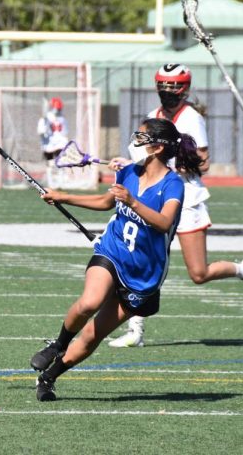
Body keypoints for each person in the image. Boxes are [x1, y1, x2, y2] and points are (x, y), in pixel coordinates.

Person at [29, 118, 197, 401]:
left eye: (142, 137)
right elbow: (107, 203)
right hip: (112, 250)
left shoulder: (173, 185)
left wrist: (132, 202)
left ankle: (49, 377)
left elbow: (165, 222)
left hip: (144, 273)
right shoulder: (129, 172)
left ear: (156, 147)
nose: (136, 139)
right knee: (90, 302)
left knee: (93, 336)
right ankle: (58, 344)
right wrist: (64, 197)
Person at [107, 64, 243, 348]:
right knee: (138, 260)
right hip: (153, 197)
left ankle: (242, 269)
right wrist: (129, 164)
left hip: (186, 196)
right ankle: (136, 329)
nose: (168, 91)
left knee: (198, 273)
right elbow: (141, 155)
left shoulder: (192, 118)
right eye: (164, 85)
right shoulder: (152, 117)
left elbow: (203, 162)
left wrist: (171, 164)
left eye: (174, 86)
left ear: (184, 88)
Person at [37, 97, 69, 188]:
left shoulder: (62, 118)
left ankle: (61, 183)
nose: (58, 109)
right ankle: (51, 183)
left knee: (61, 163)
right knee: (50, 164)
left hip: (59, 144)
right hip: (48, 144)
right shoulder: (45, 118)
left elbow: (65, 132)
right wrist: (43, 132)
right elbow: (41, 131)